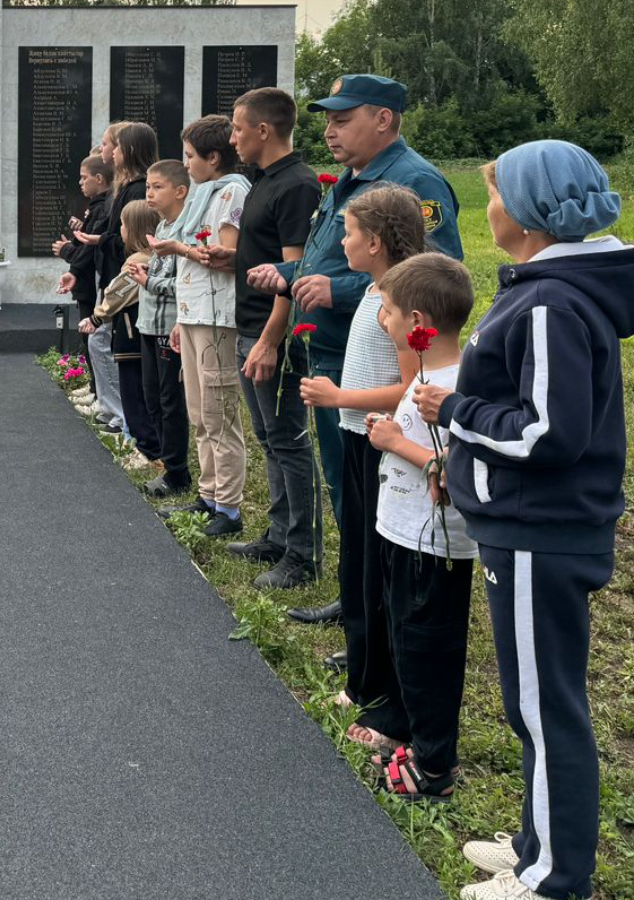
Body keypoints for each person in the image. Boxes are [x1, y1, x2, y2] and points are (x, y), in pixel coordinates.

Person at [414, 141, 629, 900]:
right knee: (530, 702)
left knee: (545, 708)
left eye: (497, 197)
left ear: (534, 213)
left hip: (541, 529)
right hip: (526, 525)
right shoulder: (548, 289)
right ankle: (539, 841)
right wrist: (463, 464)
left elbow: (550, 433)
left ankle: (553, 880)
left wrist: (456, 414)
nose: (490, 210)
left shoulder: (548, 302)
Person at [248, 74, 461, 608]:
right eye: (327, 120)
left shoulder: (415, 182)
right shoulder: (349, 178)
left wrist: (336, 291)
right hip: (330, 353)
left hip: (370, 362)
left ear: (383, 119)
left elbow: (435, 278)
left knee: (370, 485)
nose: (329, 131)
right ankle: (359, 594)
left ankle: (372, 601)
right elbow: (330, 256)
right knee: (346, 481)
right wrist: (289, 272)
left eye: (343, 119)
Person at [297, 184, 424, 721]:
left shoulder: (401, 296)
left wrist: (339, 397)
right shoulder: (378, 289)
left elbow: (415, 385)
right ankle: (362, 670)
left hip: (381, 445)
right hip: (359, 437)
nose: (340, 242)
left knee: (374, 567)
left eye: (347, 233)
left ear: (373, 241)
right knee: (358, 563)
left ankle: (374, 683)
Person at [355, 252, 478, 804]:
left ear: (417, 322)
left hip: (435, 543)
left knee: (428, 645)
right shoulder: (426, 375)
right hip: (400, 530)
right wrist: (394, 429)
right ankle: (403, 722)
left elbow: (450, 467)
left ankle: (434, 762)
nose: (382, 320)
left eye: (388, 311)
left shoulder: (458, 387)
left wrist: (391, 442)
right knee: (403, 635)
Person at [226, 87, 322, 592]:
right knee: (270, 438)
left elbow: (295, 271)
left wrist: (269, 341)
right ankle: (280, 534)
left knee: (288, 441)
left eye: (239, 129)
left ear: (264, 130)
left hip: (273, 334)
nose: (233, 138)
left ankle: (301, 554)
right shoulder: (262, 180)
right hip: (251, 326)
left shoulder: (297, 185)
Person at [153, 116, 248, 522]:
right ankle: (208, 495)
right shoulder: (202, 194)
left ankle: (228, 506)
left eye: (191, 156)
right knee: (199, 411)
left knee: (219, 413)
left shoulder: (231, 193)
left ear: (214, 157)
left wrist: (178, 248)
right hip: (195, 315)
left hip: (218, 317)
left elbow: (226, 258)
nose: (186, 164)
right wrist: (180, 319)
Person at [99, 121, 160, 462]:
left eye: (117, 146)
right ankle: (138, 436)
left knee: (136, 377)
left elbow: (128, 246)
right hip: (123, 292)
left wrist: (100, 311)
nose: (112, 152)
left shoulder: (137, 192)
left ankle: (146, 442)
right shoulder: (127, 188)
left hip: (132, 303)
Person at [131, 159, 192, 494]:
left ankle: (177, 472)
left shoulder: (183, 232)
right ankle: (166, 464)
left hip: (170, 326)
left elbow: (185, 282)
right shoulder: (163, 228)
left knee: (171, 401)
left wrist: (149, 280)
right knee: (152, 396)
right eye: (148, 187)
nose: (150, 194)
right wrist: (149, 280)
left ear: (180, 191)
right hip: (148, 324)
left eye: (158, 187)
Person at [57, 153, 122, 431]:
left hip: (104, 281)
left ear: (99, 179)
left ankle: (110, 406)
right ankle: (103, 400)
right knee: (93, 343)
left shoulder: (107, 205)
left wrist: (68, 251)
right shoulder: (99, 205)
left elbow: (94, 246)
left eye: (84, 178)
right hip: (93, 280)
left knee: (98, 342)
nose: (80, 182)